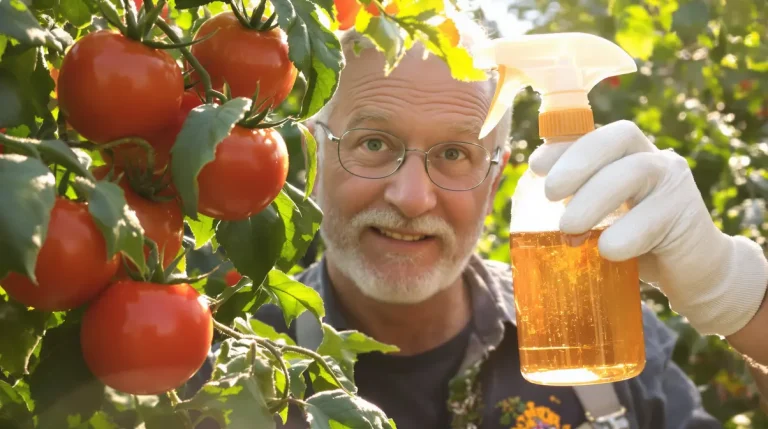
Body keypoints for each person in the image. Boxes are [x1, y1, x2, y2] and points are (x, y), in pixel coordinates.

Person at [190, 14, 768, 429]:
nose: (413, 198)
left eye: (453, 154)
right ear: (313, 157)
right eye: (372, 142)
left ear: (496, 181)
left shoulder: (596, 332)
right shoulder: (232, 371)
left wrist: (740, 303)